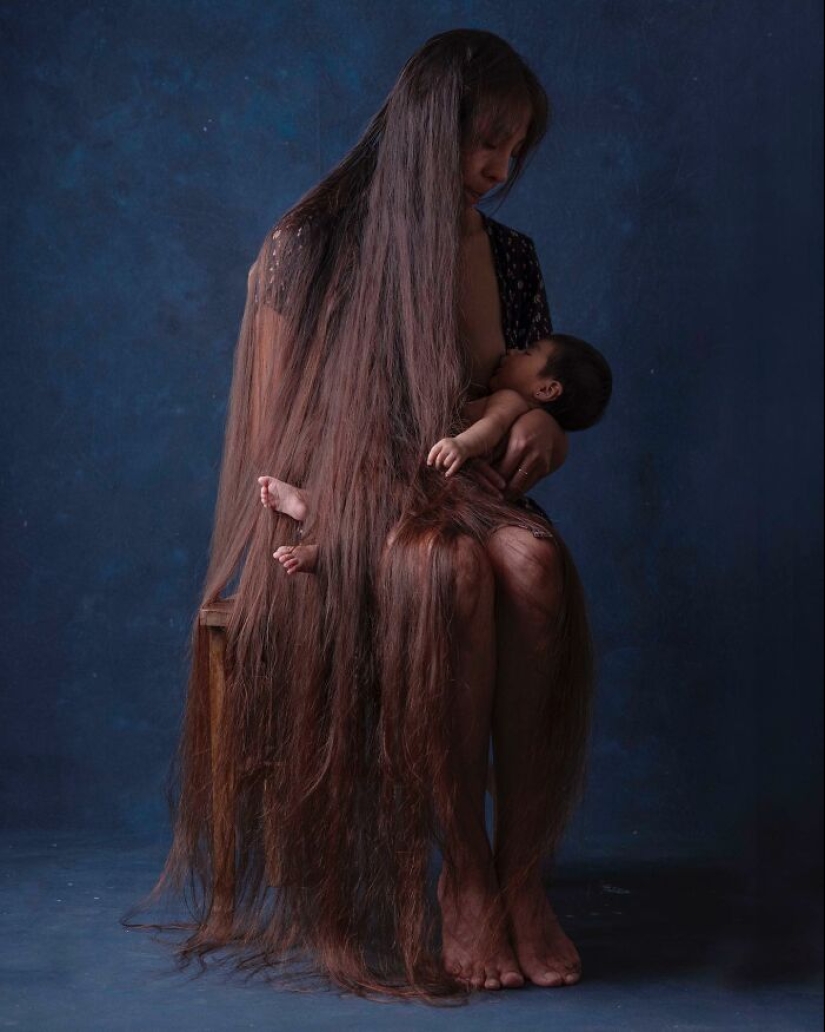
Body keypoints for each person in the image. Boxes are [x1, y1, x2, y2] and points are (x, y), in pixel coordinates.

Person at [141, 28, 599, 1002]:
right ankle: (467, 875)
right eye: (487, 143)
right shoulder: (309, 243)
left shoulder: (510, 257)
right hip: (346, 508)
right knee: (454, 573)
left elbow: (530, 391)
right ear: (431, 129)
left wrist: (544, 432)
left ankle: (520, 878)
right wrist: (360, 497)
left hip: (467, 493)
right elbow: (274, 442)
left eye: (516, 150)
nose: (501, 169)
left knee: (534, 568)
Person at [259, 334, 613, 575]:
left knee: (391, 523)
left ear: (547, 389)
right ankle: (313, 513)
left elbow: (490, 428)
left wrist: (462, 445)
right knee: (385, 517)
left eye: (529, 352)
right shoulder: (516, 405)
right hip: (440, 481)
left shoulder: (512, 402)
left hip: (444, 479)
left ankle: (322, 536)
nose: (513, 351)